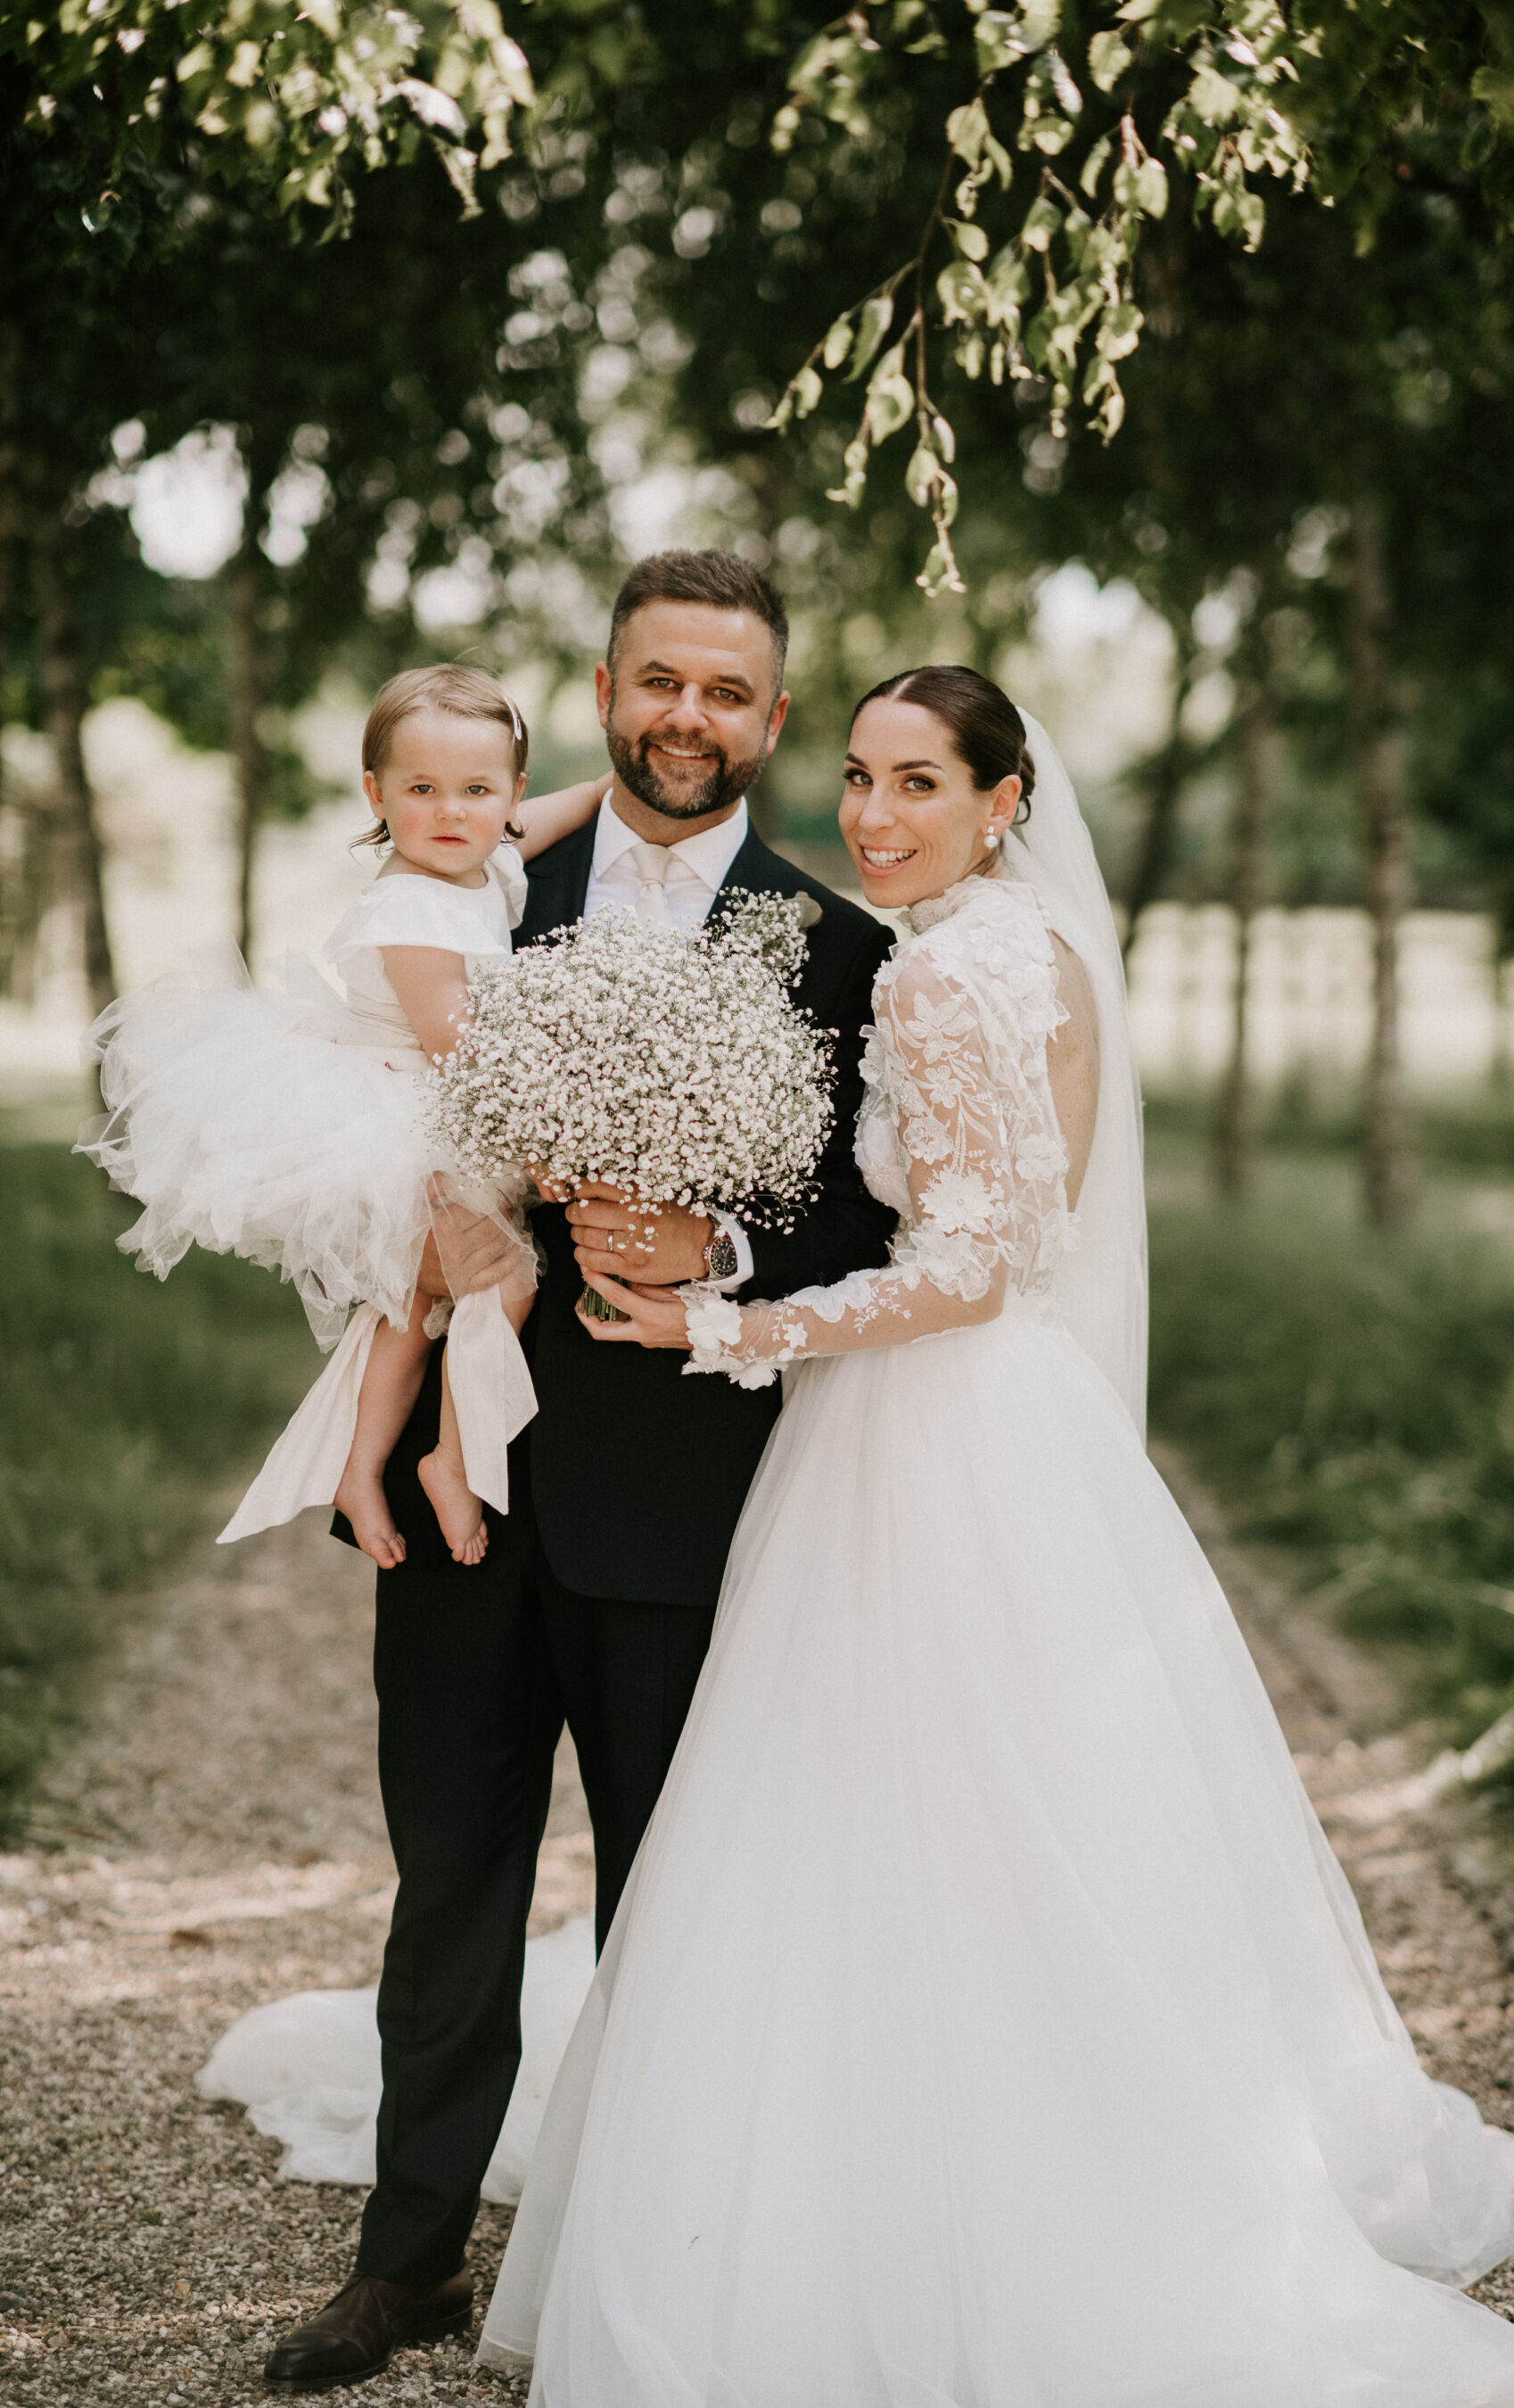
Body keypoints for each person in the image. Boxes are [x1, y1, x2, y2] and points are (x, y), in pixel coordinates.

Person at [475, 668, 1514, 2404]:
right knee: (1019, 1820)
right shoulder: (1037, 953)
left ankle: (887, 2213)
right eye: (857, 777)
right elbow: (1006, 1252)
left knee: (874, 1806)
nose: (875, 815)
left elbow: (967, 1270)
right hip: (1013, 1428)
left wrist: (724, 1332)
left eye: (920, 783)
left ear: (1003, 803)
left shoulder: (936, 973)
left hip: (928, 1429)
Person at [258, 551, 898, 2393]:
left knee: (670, 1892)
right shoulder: (469, 882)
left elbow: (867, 1224)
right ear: (607, 689)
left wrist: (717, 1262)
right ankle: (408, 2264)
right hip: (473, 1466)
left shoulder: (837, 942)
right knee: (445, 1872)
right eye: (655, 680)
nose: (684, 716)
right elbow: (336, 1092)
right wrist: (422, 1232)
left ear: (772, 722)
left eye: (725, 691)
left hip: (687, 1498)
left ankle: (653, 2264)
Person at [79, 665, 604, 1571]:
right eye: (422, 790)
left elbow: (547, 817)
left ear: (510, 795)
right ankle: (450, 1460)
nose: (451, 811)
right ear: (377, 793)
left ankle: (362, 1469)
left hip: (428, 1103)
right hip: (407, 1111)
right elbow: (458, 1046)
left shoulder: (488, 856)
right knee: (504, 1280)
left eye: (479, 790)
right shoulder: (412, 903)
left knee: (407, 1312)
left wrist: (608, 789)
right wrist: (542, 1146)